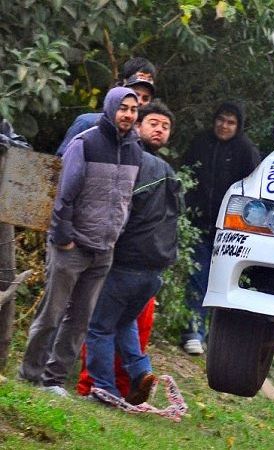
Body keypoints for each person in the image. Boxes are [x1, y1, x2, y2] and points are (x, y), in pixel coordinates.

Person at [18, 87, 143, 396]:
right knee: (52, 313)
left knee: (80, 322)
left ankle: (54, 380)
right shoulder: (85, 142)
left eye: (133, 109)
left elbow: (126, 199)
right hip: (71, 246)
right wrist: (63, 238)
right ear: (111, 108)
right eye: (123, 108)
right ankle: (29, 374)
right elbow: (64, 195)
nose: (127, 114)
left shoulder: (135, 150)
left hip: (104, 250)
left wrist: (115, 234)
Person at [79, 100, 181, 405]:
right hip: (155, 272)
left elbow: (117, 212)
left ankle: (104, 390)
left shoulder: (133, 163)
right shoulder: (169, 172)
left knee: (99, 327)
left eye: (165, 126)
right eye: (154, 123)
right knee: (123, 322)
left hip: (126, 265)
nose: (159, 129)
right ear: (139, 126)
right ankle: (140, 372)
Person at [181, 101, 261, 354]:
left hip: (231, 232)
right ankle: (193, 331)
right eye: (221, 119)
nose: (224, 126)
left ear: (238, 126)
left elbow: (254, 189)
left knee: (223, 283)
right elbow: (186, 175)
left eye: (230, 122)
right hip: (198, 225)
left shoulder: (246, 150)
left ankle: (217, 341)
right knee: (197, 278)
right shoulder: (200, 143)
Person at [56, 57, 155, 157]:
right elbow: (61, 162)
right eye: (135, 94)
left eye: (146, 98)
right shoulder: (88, 123)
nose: (139, 102)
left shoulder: (142, 138)